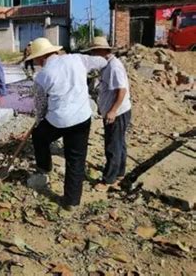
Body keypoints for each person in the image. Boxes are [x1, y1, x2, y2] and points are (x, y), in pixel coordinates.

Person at [25, 38, 107, 211]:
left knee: (39, 135)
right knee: (76, 159)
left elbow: (40, 106)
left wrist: (39, 120)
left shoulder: (41, 76)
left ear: (40, 58)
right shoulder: (76, 59)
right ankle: (71, 201)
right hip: (81, 118)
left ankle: (44, 168)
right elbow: (101, 61)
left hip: (58, 120)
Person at [83, 37, 131, 191]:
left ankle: (108, 180)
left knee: (112, 145)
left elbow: (121, 90)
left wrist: (112, 110)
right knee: (119, 143)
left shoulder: (114, 67)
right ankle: (119, 173)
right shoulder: (107, 65)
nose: (92, 56)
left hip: (117, 112)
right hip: (116, 111)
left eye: (94, 52)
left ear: (102, 51)